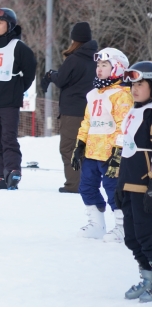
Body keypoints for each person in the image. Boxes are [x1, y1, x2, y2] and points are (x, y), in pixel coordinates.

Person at [71, 48, 132, 241]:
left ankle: (123, 226)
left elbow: (124, 124)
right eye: (98, 65)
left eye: (104, 65)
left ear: (118, 67)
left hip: (110, 152)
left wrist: (118, 151)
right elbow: (87, 121)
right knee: (86, 186)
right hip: (92, 150)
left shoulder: (122, 94)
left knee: (113, 187)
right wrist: (80, 144)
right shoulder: (93, 94)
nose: (99, 69)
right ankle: (96, 223)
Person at [42, 22, 98, 193]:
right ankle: (88, 183)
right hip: (91, 111)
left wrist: (51, 75)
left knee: (68, 147)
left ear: (75, 38)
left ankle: (74, 184)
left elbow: (62, 80)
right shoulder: (96, 59)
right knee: (85, 148)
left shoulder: (74, 59)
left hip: (73, 112)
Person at [0, 8, 37, 190]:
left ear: (9, 25)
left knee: (9, 139)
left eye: (0, 23)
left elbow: (30, 71)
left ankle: (13, 171)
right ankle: (2, 176)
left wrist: (16, 90)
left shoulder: (19, 48)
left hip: (9, 103)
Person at [118, 62, 152, 302]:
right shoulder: (133, 112)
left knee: (147, 236)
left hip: (145, 187)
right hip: (128, 183)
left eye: (141, 84)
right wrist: (119, 185)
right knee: (131, 237)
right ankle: (147, 277)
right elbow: (127, 150)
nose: (135, 89)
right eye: (133, 84)